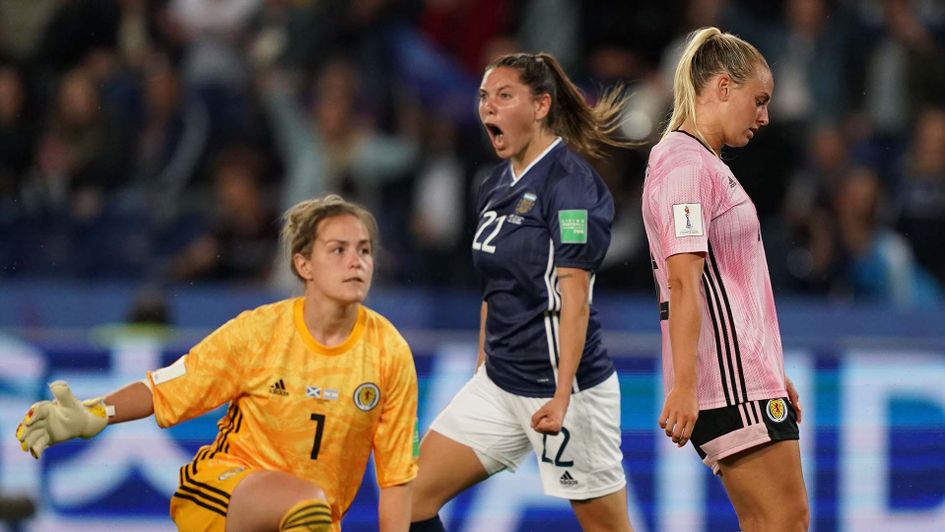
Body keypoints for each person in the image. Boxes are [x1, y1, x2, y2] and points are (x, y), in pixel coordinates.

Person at [15, 194, 419, 532]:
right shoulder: (259, 332)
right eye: (339, 249)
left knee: (310, 512)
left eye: (364, 250)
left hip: (307, 521)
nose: (357, 261)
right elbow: (165, 387)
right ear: (303, 265)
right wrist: (93, 413)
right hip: (219, 495)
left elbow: (397, 479)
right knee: (308, 506)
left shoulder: (389, 353)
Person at [410, 52, 634, 532]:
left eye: (504, 96)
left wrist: (560, 394)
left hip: (564, 391)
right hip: (501, 383)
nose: (488, 108)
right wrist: (481, 365)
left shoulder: (571, 187)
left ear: (540, 106)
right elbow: (495, 285)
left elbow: (575, 296)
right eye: (484, 97)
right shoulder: (495, 185)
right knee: (409, 499)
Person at [641, 27, 809, 531]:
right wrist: (687, 386)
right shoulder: (686, 168)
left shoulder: (702, 165)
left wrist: (769, 369)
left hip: (743, 377)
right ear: (721, 87)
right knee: (785, 522)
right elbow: (685, 282)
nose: (764, 116)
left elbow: (728, 283)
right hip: (728, 384)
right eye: (758, 101)